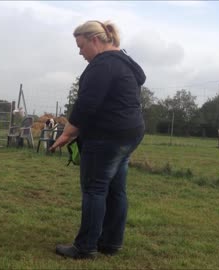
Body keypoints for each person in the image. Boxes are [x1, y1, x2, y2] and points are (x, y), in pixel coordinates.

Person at [49, 20, 146, 259]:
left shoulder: (102, 65)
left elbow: (86, 105)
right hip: (129, 134)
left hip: (106, 136)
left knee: (94, 189)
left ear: (94, 40)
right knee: (115, 189)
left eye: (81, 46)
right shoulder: (125, 61)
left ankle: (85, 247)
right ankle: (111, 243)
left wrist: (66, 134)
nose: (80, 52)